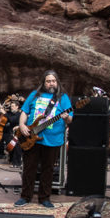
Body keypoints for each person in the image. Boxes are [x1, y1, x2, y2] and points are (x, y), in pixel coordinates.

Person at [16, 71, 72, 208]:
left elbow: (70, 119)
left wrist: (66, 118)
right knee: (29, 168)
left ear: (57, 82)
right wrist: (22, 125)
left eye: (53, 81)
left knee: (48, 170)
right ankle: (25, 196)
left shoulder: (63, 98)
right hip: (32, 137)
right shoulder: (35, 95)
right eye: (48, 81)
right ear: (44, 82)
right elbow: (24, 111)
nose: (51, 83)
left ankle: (45, 198)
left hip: (53, 140)